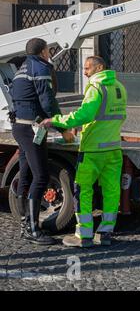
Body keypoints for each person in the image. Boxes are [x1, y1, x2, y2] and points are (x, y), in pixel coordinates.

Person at [41, 56, 127, 248]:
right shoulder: (119, 87)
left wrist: (56, 120)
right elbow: (117, 116)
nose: (85, 72)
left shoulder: (96, 87)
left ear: (100, 67)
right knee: (112, 191)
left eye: (88, 68)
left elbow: (85, 114)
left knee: (83, 190)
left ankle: (84, 235)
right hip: (113, 148)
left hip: (93, 150)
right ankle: (105, 233)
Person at [10, 38, 74, 245]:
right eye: (48, 50)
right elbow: (48, 101)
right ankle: (33, 229)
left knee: (27, 174)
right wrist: (63, 129)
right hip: (31, 128)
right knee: (41, 175)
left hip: (21, 126)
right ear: (44, 51)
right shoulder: (39, 67)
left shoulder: (22, 67)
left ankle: (25, 225)